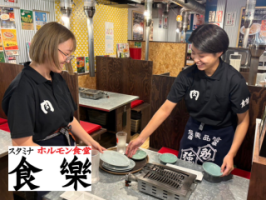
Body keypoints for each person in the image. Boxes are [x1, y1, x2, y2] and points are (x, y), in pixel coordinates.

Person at [126, 24, 250, 177]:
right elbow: (165, 109)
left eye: (202, 55)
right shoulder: (187, 76)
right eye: (193, 53)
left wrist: (231, 153)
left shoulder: (234, 81)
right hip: (193, 131)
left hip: (220, 136)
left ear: (219, 52)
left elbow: (243, 121)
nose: (195, 59)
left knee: (212, 183)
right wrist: (141, 138)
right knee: (184, 175)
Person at [2, 22, 105, 199]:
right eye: (66, 53)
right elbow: (21, 144)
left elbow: (69, 119)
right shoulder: (22, 88)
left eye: (70, 54)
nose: (68, 59)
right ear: (46, 48)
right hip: (38, 159)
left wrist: (90, 142)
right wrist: (63, 162)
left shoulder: (56, 77)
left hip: (63, 148)